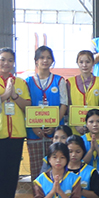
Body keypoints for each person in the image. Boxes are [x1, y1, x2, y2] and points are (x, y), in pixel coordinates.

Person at [0, 47, 30, 198]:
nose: (6, 63)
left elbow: (27, 106)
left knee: (13, 170)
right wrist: (5, 95)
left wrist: (15, 96)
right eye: (2, 59)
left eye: (10, 60)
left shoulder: (20, 82)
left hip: (17, 132)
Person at [25, 46, 68, 183]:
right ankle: (38, 195)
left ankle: (57, 192)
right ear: (36, 61)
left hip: (55, 132)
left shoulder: (59, 81)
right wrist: (34, 126)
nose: (45, 60)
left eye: (48, 58)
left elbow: (64, 104)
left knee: (57, 166)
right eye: (42, 57)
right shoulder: (28, 81)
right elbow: (25, 106)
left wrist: (54, 124)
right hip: (34, 131)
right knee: (36, 168)